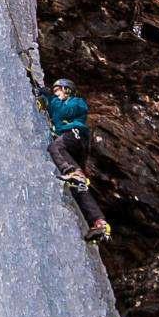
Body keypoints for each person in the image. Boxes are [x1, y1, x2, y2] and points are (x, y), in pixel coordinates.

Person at [42, 77, 111, 243]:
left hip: (75, 136)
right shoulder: (60, 103)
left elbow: (62, 111)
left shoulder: (76, 102)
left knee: (54, 148)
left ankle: (70, 171)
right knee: (79, 187)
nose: (55, 92)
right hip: (73, 148)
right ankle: (99, 223)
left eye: (58, 89)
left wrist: (48, 98)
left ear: (67, 90)